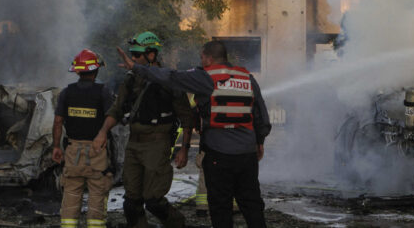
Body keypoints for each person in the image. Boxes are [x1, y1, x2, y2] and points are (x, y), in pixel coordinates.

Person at [117, 40, 271, 228]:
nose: (201, 61)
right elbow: (261, 115)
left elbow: (171, 77)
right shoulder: (247, 77)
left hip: (219, 153)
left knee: (220, 206)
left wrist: (136, 68)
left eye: (201, 57)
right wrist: (260, 141)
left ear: (208, 58)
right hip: (246, 154)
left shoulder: (205, 77)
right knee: (252, 204)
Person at [92, 32, 194, 228]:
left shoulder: (169, 80)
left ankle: (177, 224)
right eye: (133, 55)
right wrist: (102, 132)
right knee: (131, 201)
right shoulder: (131, 80)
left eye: (137, 55)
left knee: (154, 199)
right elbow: (117, 108)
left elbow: (186, 118)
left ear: (152, 55)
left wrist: (184, 149)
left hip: (158, 143)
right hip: (134, 143)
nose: (133, 59)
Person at [53, 49, 114, 228]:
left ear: (78, 71)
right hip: (97, 150)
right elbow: (112, 117)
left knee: (71, 194)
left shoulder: (67, 93)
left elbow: (58, 122)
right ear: (95, 71)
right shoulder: (103, 92)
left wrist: (56, 147)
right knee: (97, 194)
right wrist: (102, 132)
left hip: (73, 152)